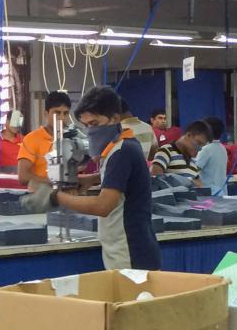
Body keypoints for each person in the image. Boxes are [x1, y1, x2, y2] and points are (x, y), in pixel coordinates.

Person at [23, 86, 161, 271]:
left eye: (95, 124)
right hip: (129, 246)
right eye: (86, 126)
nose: (91, 131)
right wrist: (91, 179)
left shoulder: (121, 152)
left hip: (130, 251)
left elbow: (102, 206)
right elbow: (123, 177)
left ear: (114, 118)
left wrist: (56, 197)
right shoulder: (124, 145)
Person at [18, 91, 72, 185]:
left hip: (68, 192)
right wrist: (56, 183)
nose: (62, 118)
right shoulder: (32, 139)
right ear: (46, 114)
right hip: (41, 195)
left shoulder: (72, 138)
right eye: (57, 113)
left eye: (65, 113)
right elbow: (23, 176)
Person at [150, 120, 212, 186]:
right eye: (199, 143)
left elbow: (200, 187)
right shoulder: (166, 151)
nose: (199, 149)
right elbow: (156, 182)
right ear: (189, 135)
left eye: (202, 146)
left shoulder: (192, 163)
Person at [196, 116, 229, 195]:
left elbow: (193, 171)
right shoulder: (222, 148)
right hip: (222, 193)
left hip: (210, 195)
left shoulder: (206, 149)